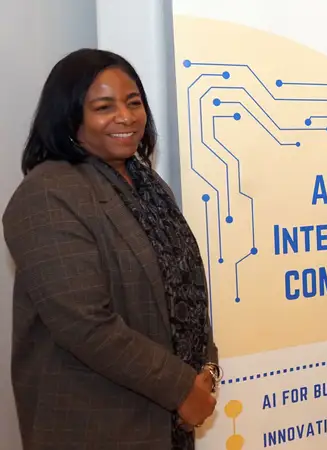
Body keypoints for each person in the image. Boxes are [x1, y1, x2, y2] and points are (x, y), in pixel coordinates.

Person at [3, 48, 220, 449]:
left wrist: (205, 367)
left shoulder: (150, 185)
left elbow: (185, 284)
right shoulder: (47, 194)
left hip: (169, 423)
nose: (125, 116)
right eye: (104, 107)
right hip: (100, 424)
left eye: (133, 103)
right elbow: (85, 324)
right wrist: (180, 388)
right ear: (70, 117)